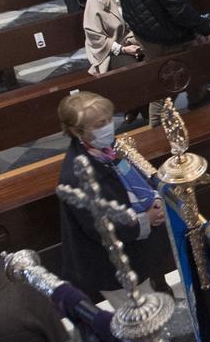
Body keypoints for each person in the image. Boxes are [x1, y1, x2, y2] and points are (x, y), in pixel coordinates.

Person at [56, 91, 171, 299]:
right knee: (138, 314)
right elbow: (99, 227)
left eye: (109, 120)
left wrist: (153, 198)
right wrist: (146, 220)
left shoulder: (106, 149)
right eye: (100, 124)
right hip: (110, 264)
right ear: (77, 131)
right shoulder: (77, 175)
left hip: (135, 250)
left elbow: (134, 177)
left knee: (151, 296)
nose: (108, 127)